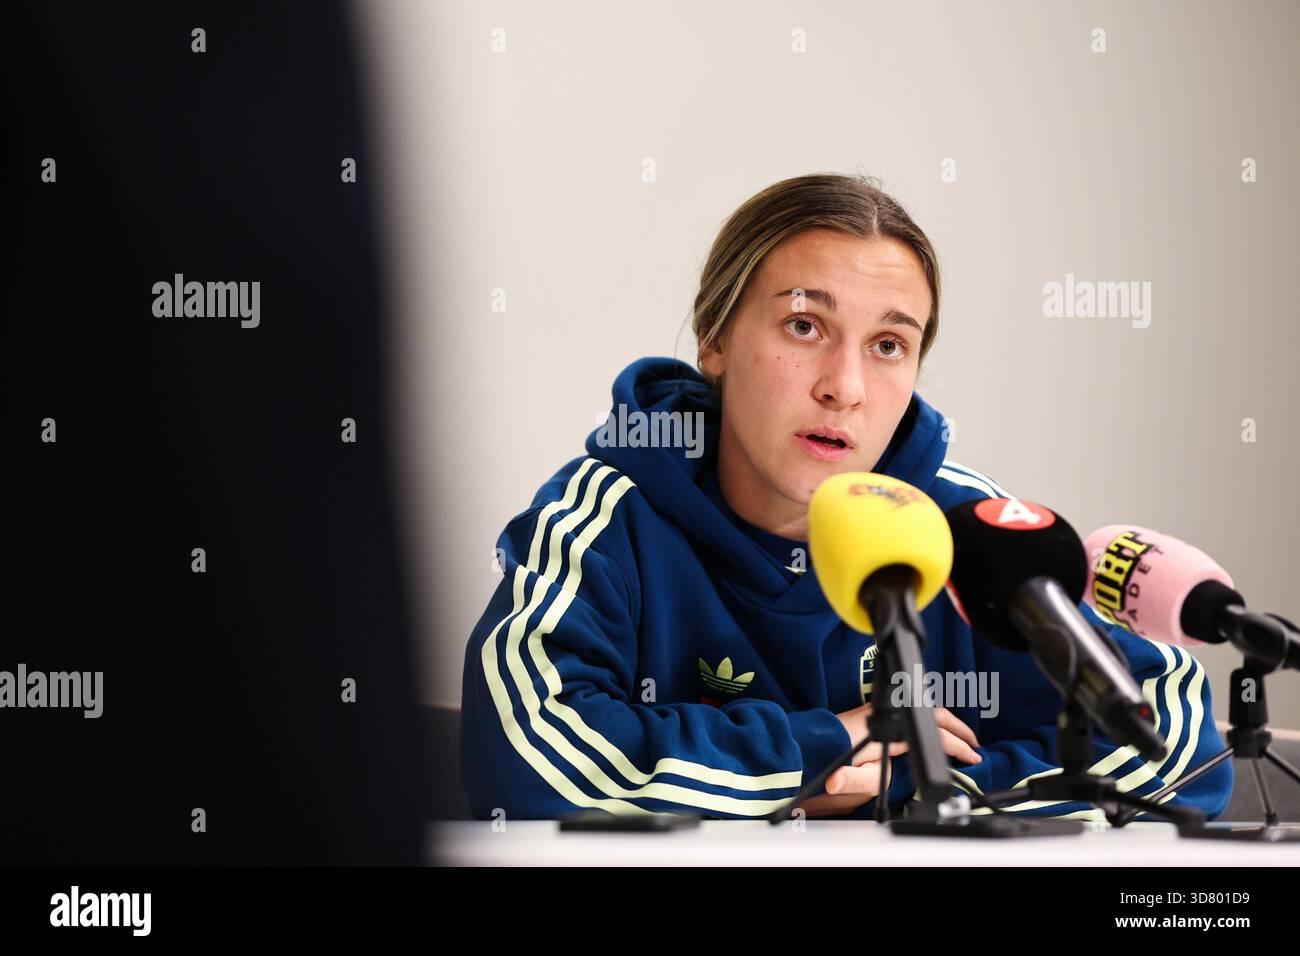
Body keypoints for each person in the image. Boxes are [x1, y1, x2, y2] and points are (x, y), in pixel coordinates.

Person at [458, 173, 1233, 821]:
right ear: (715, 339)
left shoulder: (973, 534)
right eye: (803, 325)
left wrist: (919, 789)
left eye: (889, 345)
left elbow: (1177, 745)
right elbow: (527, 761)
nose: (846, 387)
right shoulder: (602, 517)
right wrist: (817, 747)